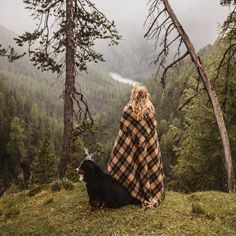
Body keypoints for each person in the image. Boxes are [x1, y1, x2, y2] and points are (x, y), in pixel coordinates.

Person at [107, 85, 164, 208]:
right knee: (144, 167)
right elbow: (152, 134)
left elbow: (123, 132)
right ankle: (147, 191)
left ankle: (133, 192)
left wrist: (134, 142)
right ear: (146, 96)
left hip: (131, 149)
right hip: (147, 150)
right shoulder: (150, 113)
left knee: (132, 166)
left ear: (133, 95)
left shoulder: (128, 111)